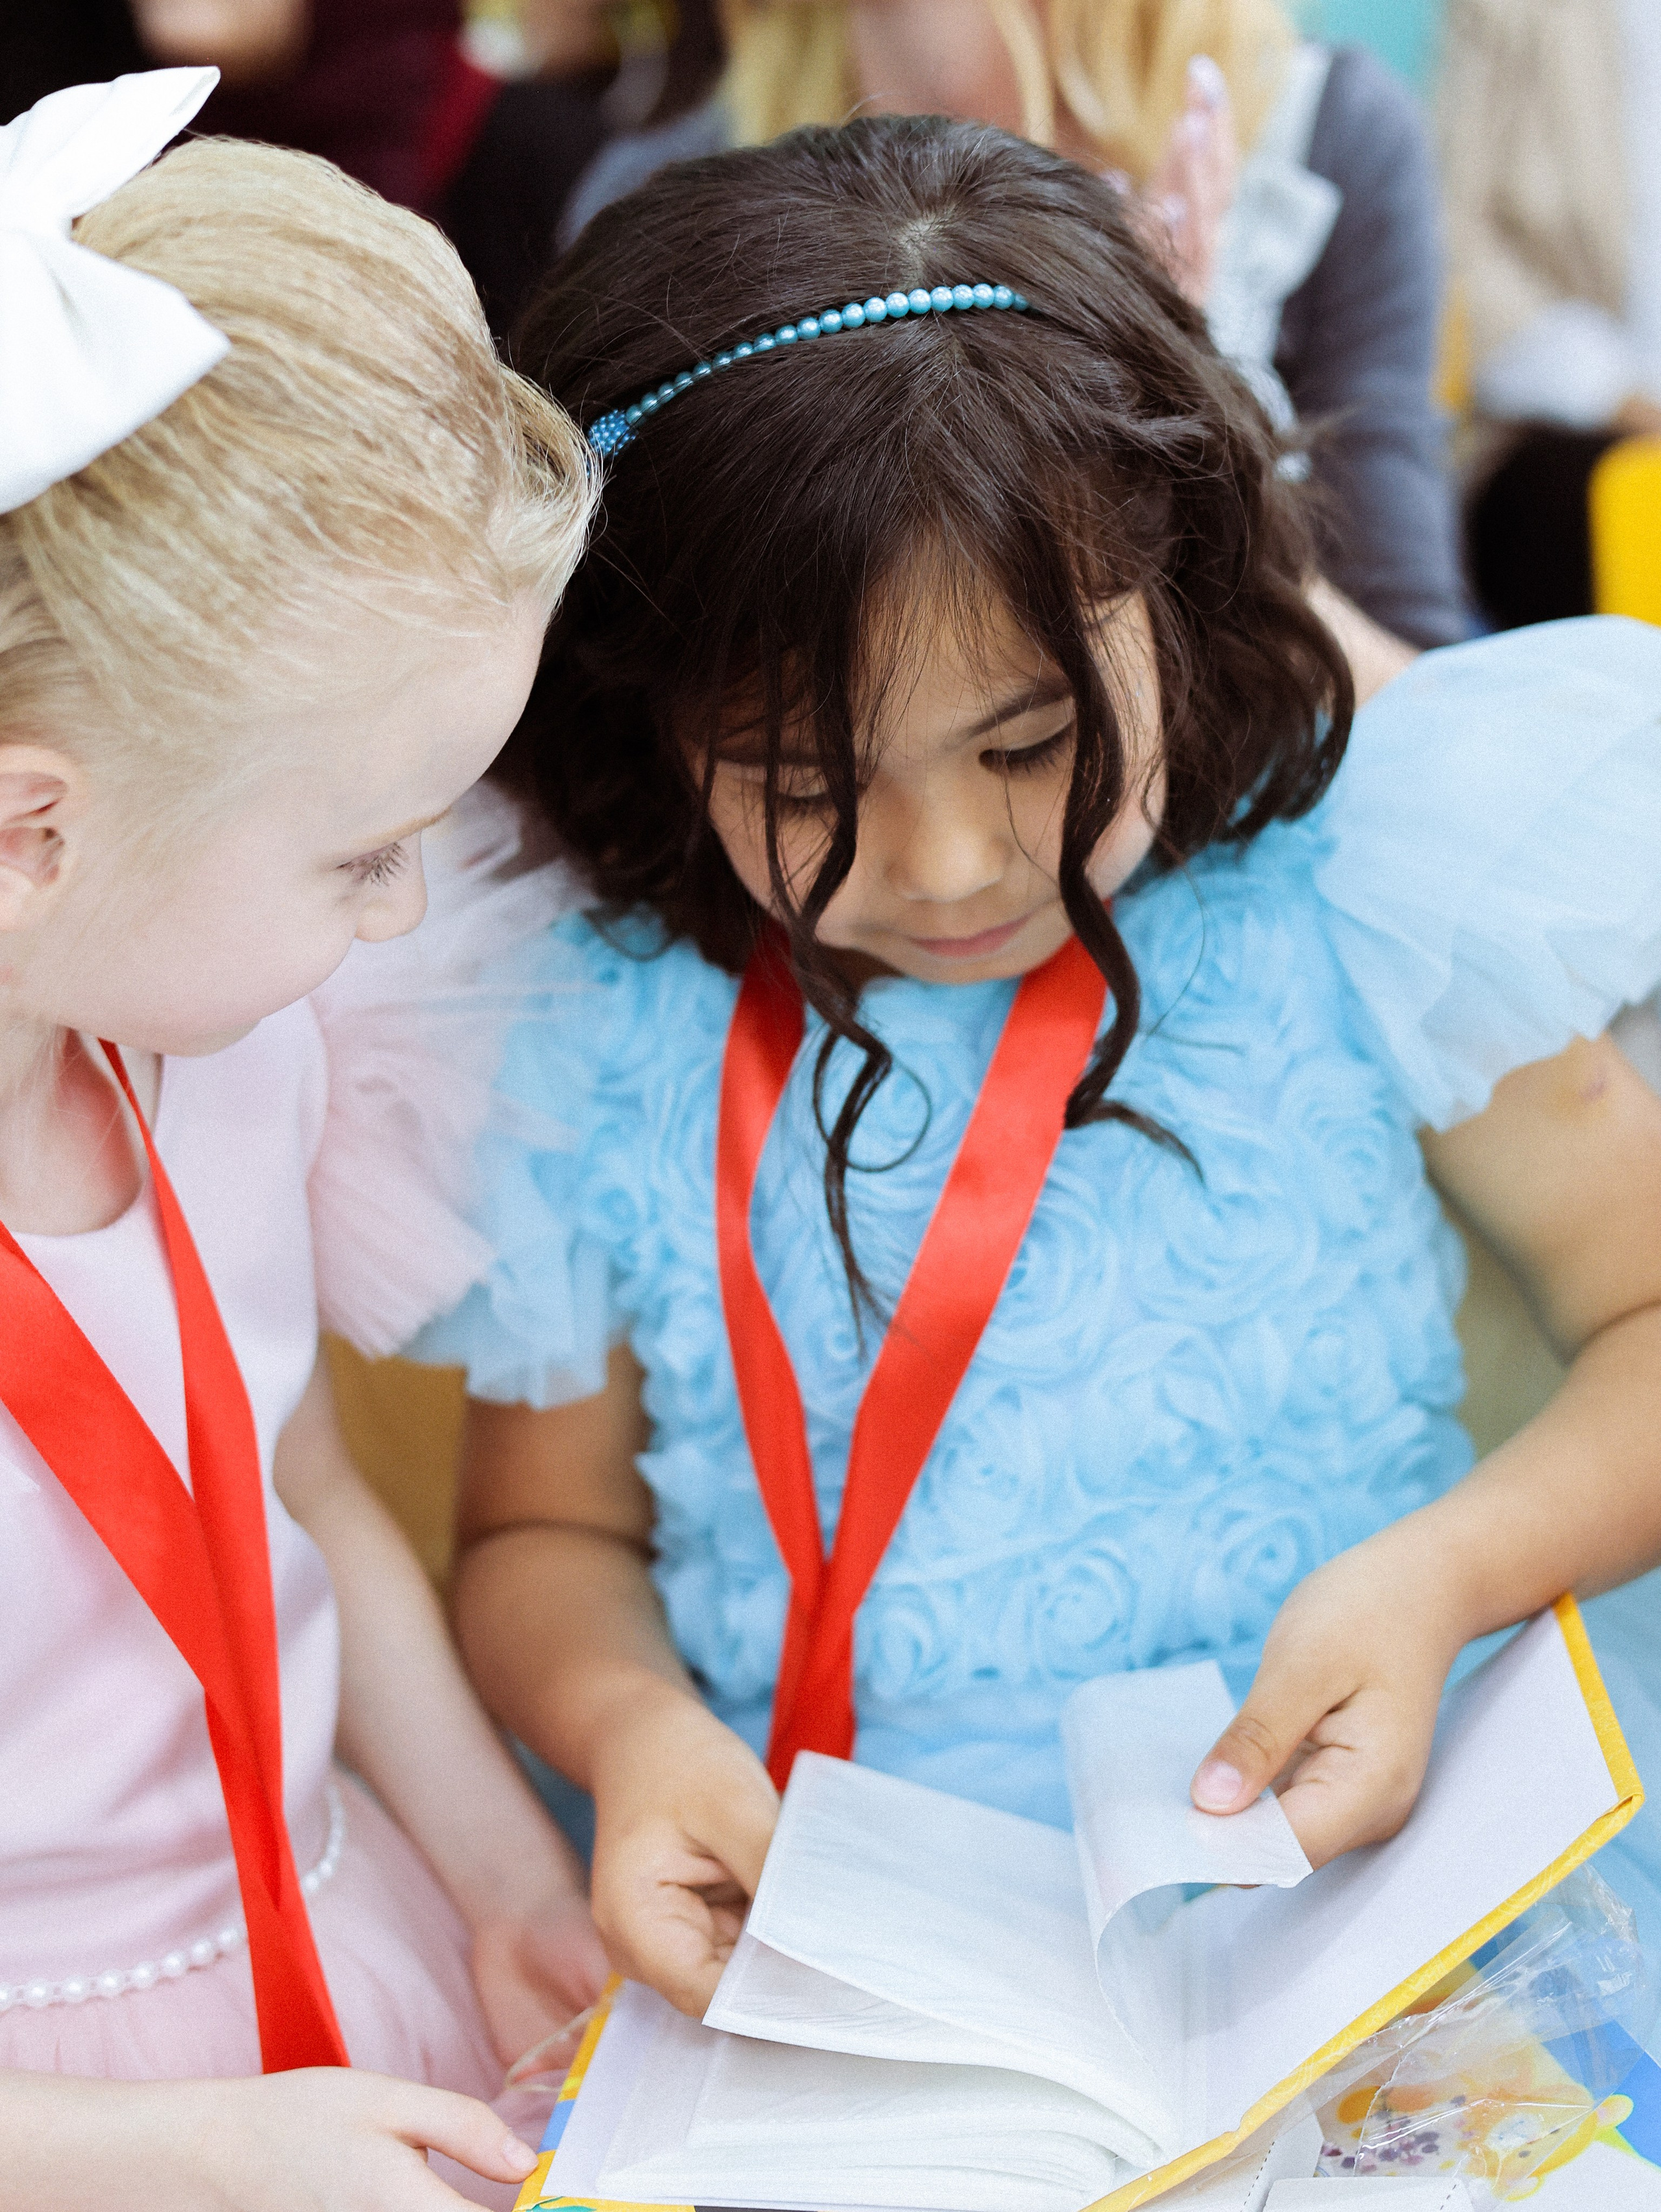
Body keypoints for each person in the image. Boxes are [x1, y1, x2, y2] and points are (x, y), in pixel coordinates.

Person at [418, 114, 1661, 2021]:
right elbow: (537, 1529)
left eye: (1025, 743)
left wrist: (1448, 1573)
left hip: (1388, 1920)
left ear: (1171, 590)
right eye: (810, 783)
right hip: (855, 1980)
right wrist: (630, 1721)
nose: (946, 862)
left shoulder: (1358, 882)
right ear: (648, 719)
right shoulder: (593, 1013)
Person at [0, 71, 608, 2209]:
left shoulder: (230, 1047)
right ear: (29, 830)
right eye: (362, 850)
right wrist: (185, 2157)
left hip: (340, 1991)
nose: (405, 912)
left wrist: (514, 1879)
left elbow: (301, 1497)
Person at [557, 0, 1468, 653]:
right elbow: (625, 663)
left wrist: (1190, 422)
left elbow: (1418, 683)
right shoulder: (656, 202)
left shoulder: (1322, 136)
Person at [1441, 0, 1661, 629]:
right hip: (1563, 428)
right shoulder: (1517, 15)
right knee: (1601, 504)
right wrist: (1623, 397)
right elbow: (1457, 245)